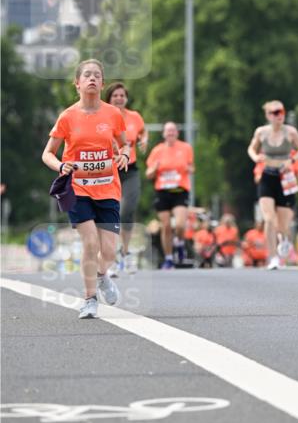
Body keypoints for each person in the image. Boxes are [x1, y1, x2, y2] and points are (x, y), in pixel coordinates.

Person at [42, 59, 130, 319]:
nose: (92, 78)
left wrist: (124, 154)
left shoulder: (113, 114)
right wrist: (61, 166)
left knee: (110, 251)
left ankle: (102, 276)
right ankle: (89, 299)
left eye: (97, 75)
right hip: (78, 189)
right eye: (87, 75)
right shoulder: (67, 117)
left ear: (102, 84)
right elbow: (47, 153)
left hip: (108, 189)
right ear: (77, 83)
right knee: (90, 242)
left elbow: (125, 145)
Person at [247, 101, 298, 270]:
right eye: (274, 113)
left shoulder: (291, 132)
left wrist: (292, 160)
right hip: (267, 176)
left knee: (283, 225)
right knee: (269, 219)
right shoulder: (261, 132)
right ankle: (272, 256)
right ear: (268, 116)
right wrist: (255, 157)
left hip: (286, 177)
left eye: (281, 112)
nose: (279, 115)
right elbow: (251, 149)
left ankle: (285, 239)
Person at [104, 82, 147, 274]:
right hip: (108, 170)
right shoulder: (103, 117)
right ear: (109, 99)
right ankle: (109, 257)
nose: (119, 98)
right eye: (115, 96)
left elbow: (143, 131)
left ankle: (126, 252)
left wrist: (144, 139)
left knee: (127, 211)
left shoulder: (135, 117)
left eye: (122, 95)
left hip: (130, 170)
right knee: (110, 212)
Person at [145, 121, 194, 269]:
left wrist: (188, 168)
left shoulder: (185, 148)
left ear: (177, 133)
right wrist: (154, 169)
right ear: (164, 134)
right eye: (168, 131)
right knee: (166, 226)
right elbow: (148, 174)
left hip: (179, 190)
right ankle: (168, 258)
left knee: (179, 224)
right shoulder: (157, 150)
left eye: (173, 131)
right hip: (163, 190)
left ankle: (179, 242)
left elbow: (192, 168)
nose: (170, 133)